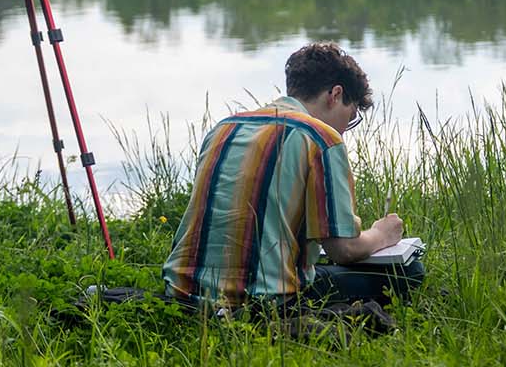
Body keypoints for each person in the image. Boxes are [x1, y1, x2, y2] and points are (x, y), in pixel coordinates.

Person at [163, 42, 424, 311]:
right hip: (263, 300)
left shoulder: (224, 128)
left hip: (184, 293)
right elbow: (343, 250)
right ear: (335, 94)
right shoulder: (321, 138)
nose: (346, 129)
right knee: (410, 270)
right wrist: (382, 235)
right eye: (352, 115)